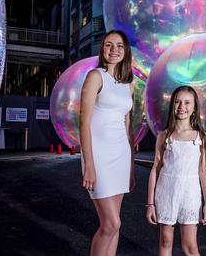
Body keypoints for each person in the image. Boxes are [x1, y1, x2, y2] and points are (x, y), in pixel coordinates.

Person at [79, 30, 135, 256]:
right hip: (99, 157)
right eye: (109, 45)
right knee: (111, 224)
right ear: (103, 50)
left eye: (119, 46)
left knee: (115, 226)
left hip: (121, 156)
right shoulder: (95, 76)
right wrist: (89, 165)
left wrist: (130, 168)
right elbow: (84, 122)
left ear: (125, 51)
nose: (114, 50)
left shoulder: (129, 85)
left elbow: (128, 129)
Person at [146, 86, 206, 256]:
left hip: (190, 195)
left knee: (190, 246)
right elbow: (155, 169)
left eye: (187, 102)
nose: (182, 106)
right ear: (172, 105)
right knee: (165, 241)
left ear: (194, 107)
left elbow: (204, 171)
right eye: (177, 102)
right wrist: (150, 203)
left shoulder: (201, 136)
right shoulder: (165, 135)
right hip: (166, 192)